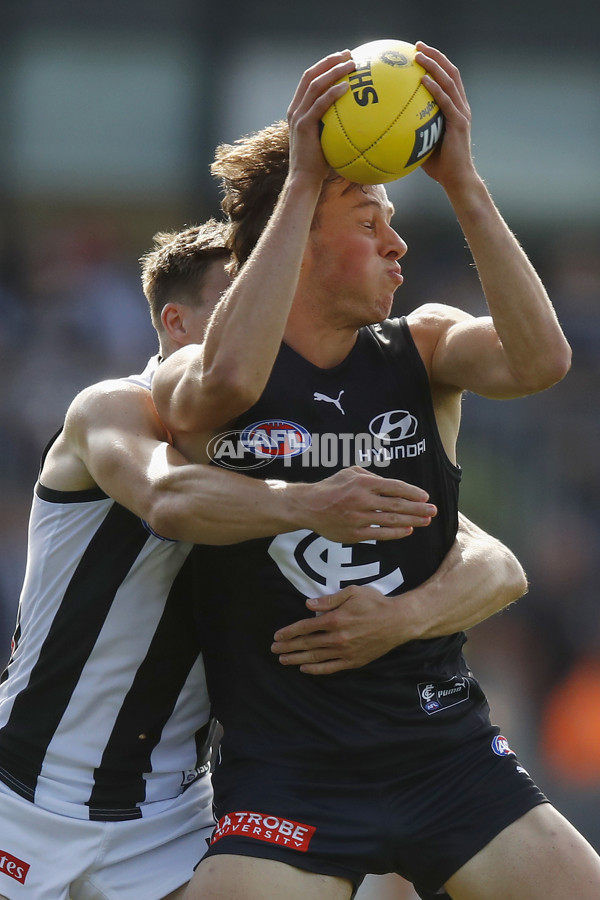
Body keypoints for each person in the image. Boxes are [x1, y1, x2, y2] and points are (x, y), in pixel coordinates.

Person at [151, 46, 600, 900]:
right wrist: (301, 178)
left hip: (446, 754)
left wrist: (464, 184)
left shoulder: (423, 345)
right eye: (367, 222)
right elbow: (226, 387)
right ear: (300, 238)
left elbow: (542, 360)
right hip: (289, 773)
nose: (398, 244)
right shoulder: (191, 377)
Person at [0, 215, 526, 900]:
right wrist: (308, 506)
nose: (273, 321)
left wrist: (406, 614)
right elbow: (170, 495)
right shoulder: (112, 409)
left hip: (173, 819)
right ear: (178, 325)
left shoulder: (298, 449)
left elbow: (494, 562)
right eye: (248, 296)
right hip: (24, 792)